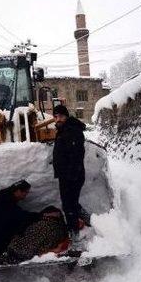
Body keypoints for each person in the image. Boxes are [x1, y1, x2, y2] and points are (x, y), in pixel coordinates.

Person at [52, 104, 88, 246]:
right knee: (71, 203)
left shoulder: (72, 130)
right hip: (66, 174)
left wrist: (71, 175)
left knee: (68, 206)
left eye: (60, 116)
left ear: (66, 116)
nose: (57, 119)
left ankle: (75, 235)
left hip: (71, 175)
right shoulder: (64, 130)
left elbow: (77, 155)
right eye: (55, 116)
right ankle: (87, 219)